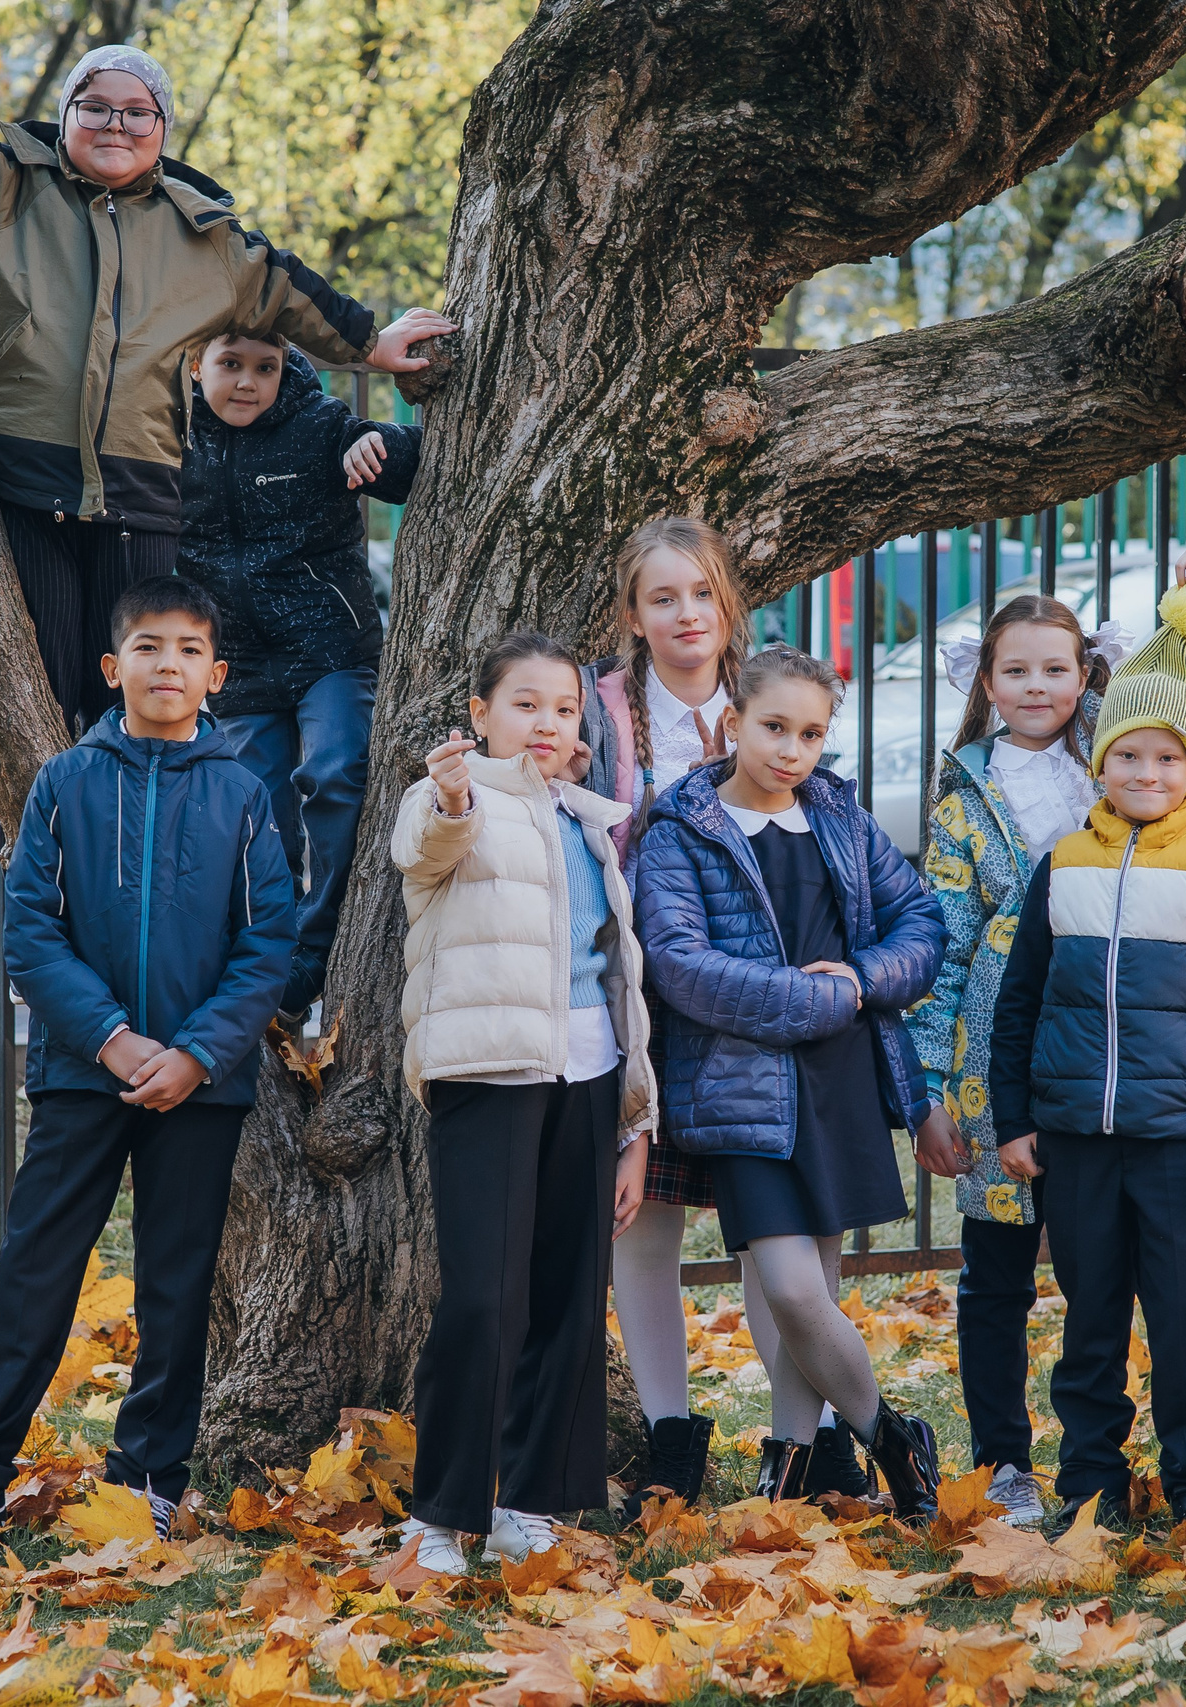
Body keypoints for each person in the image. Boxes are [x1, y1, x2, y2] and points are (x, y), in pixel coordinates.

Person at [0, 47, 453, 733]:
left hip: (139, 503)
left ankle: (132, 839)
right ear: (68, 113)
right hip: (21, 486)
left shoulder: (202, 235)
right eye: (96, 107)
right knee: (39, 697)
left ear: (163, 127)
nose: (117, 125)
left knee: (136, 702)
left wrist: (374, 345)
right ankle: (38, 838)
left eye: (139, 113)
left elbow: (287, 291)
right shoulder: (2, 188)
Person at [0, 577, 296, 1555]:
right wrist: (112, 1038)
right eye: (148, 647)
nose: (168, 665)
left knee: (175, 1283)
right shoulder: (67, 783)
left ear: (215, 675)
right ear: (114, 668)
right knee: (34, 1273)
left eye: (189, 650)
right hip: (80, 1075)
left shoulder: (241, 792)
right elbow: (30, 933)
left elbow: (267, 942)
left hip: (202, 1086)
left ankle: (147, 1479)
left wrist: (193, 1052)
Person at [906, 544, 1186, 1525]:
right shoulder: (963, 805)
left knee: (1173, 1286)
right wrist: (930, 1090)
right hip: (1014, 1084)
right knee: (1000, 1280)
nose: (1037, 685)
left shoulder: (1131, 748)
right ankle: (1009, 1464)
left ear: (1090, 671)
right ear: (984, 682)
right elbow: (943, 954)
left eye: (1056, 666)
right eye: (1015, 669)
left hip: (1142, 1085)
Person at [635, 646, 947, 1517]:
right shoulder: (680, 831)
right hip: (741, 1087)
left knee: (817, 1293)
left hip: (839, 1075)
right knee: (790, 1288)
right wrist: (819, 995)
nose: (793, 750)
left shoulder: (840, 819)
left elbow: (921, 919)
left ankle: (790, 1468)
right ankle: (894, 1434)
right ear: (732, 722)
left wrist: (860, 977)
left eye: (812, 733)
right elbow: (681, 966)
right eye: (775, 727)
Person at [392, 633, 656, 1575]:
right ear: (480, 713)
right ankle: (441, 1511)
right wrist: (457, 793)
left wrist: (632, 1124)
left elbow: (615, 976)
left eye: (564, 710)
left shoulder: (590, 821)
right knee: (482, 1299)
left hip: (587, 1081)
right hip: (490, 1079)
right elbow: (428, 843)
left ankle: (530, 1501)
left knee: (570, 1302)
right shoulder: (450, 801)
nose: (545, 723)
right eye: (525, 705)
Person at [576, 518, 749, 1513]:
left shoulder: (764, 699)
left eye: (700, 594)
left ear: (725, 601)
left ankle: (800, 1438)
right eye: (661, 599)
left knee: (773, 1228)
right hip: (636, 994)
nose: (685, 615)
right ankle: (671, 1433)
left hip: (744, 999)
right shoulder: (604, 710)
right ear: (633, 617)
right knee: (642, 1223)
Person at [178, 331, 419, 1023]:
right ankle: (272, 955)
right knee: (260, 811)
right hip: (241, 664)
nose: (248, 382)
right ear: (197, 366)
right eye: (230, 366)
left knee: (340, 772)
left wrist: (375, 446)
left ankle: (316, 944)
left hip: (328, 647)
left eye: (265, 367)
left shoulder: (315, 422)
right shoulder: (173, 434)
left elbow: (404, 461)